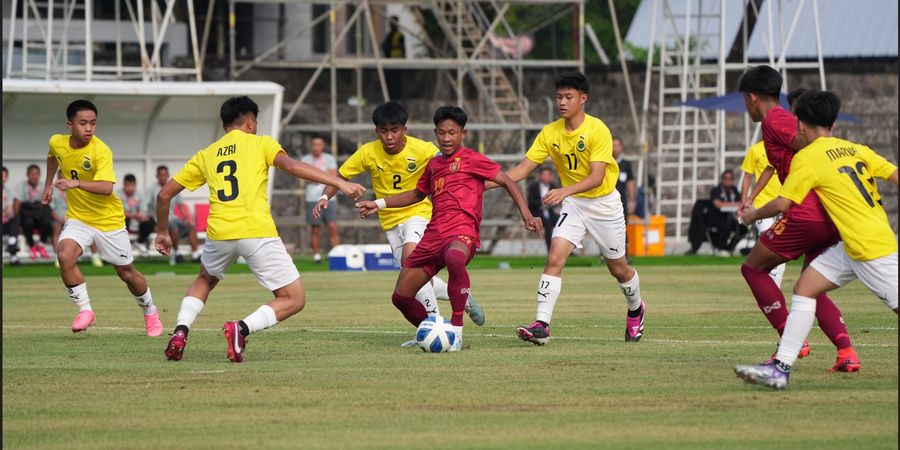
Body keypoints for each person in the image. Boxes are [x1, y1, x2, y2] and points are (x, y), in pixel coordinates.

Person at [159, 96, 366, 363]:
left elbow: (164, 195)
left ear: (224, 125)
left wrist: (163, 231)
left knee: (204, 279)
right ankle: (241, 329)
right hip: (256, 231)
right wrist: (341, 183)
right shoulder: (261, 143)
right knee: (293, 298)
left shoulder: (207, 154)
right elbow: (292, 166)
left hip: (219, 232)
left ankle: (179, 332)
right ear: (250, 121)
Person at [735, 90, 898, 389]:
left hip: (870, 250)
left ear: (798, 123)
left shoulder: (808, 157)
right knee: (805, 288)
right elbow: (895, 174)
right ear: (833, 125)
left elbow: (783, 203)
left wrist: (751, 214)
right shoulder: (855, 148)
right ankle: (780, 368)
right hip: (853, 242)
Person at [356, 106, 541, 351]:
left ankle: (456, 330)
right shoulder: (433, 165)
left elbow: (506, 180)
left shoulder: (474, 159)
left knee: (455, 258)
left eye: (452, 133)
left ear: (463, 134)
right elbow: (416, 194)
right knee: (400, 297)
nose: (446, 138)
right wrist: (378, 203)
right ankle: (436, 330)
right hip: (434, 235)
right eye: (441, 133)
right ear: (435, 133)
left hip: (463, 233)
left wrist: (527, 215)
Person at [489, 71, 647, 345]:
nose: (562, 102)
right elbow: (523, 169)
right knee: (554, 258)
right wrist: (483, 185)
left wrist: (564, 191)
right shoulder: (550, 133)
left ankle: (636, 308)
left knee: (618, 269)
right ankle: (542, 325)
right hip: (575, 205)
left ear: (583, 99)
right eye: (559, 96)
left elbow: (597, 177)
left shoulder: (598, 130)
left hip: (604, 204)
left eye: (568, 97)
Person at [315, 101, 485, 331]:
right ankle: (462, 295)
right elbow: (340, 176)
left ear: (404, 129)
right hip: (390, 222)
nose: (389, 136)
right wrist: (325, 198)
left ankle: (436, 327)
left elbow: (454, 162)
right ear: (377, 131)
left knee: (410, 262)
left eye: (394, 130)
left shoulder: (422, 149)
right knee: (413, 277)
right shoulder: (367, 152)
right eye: (384, 131)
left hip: (419, 214)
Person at [736, 66, 858, 372]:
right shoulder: (780, 121)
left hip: (805, 211)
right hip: (826, 210)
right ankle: (846, 352)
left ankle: (791, 338)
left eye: (744, 100)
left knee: (753, 269)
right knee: (811, 284)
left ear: (752, 97)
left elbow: (811, 143)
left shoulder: (775, 119)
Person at [41, 99, 162, 336]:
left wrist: (75, 183)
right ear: (70, 124)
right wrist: (48, 185)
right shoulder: (57, 142)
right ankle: (86, 311)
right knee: (64, 255)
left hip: (109, 221)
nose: (89, 128)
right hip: (79, 218)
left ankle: (150, 312)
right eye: (83, 123)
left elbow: (106, 187)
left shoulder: (100, 150)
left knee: (126, 273)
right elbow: (52, 156)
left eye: (93, 123)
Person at [740, 141, 785, 285]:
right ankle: (771, 284)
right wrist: (745, 202)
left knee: (779, 246)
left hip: (782, 203)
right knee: (770, 241)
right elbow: (747, 176)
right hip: (761, 204)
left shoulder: (784, 148)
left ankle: (772, 286)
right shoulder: (755, 149)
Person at [144, 165, 202, 264]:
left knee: (191, 226)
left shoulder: (172, 187)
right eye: (161, 175)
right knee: (173, 227)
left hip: (173, 218)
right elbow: (145, 206)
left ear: (168, 175)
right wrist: (152, 223)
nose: (163, 177)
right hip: (160, 220)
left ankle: (195, 254)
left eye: (165, 175)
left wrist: (186, 218)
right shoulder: (152, 189)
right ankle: (176, 253)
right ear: (157, 176)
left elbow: (181, 205)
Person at [686, 169, 745, 256]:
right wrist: (735, 204)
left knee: (743, 229)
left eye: (730, 178)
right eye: (726, 178)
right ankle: (722, 248)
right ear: (722, 179)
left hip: (729, 217)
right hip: (716, 218)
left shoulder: (734, 190)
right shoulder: (716, 190)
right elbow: (717, 204)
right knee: (725, 226)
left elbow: (741, 202)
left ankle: (729, 248)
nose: (728, 181)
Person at [301, 135, 340, 263]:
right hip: (312, 198)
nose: (316, 147)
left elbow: (333, 176)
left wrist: (314, 175)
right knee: (315, 228)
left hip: (329, 198)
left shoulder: (329, 158)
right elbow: (304, 177)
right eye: (314, 145)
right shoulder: (305, 159)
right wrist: (323, 175)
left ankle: (336, 254)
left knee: (332, 226)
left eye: (319, 145)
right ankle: (316, 256)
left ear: (322, 146)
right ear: (311, 146)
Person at [15, 164, 53, 260]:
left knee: (47, 222)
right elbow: (17, 204)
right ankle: (32, 246)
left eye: (36, 174)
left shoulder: (43, 186)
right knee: (28, 222)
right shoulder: (21, 186)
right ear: (27, 175)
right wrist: (16, 221)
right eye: (32, 174)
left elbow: (48, 202)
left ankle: (41, 245)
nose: (34, 176)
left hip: (40, 213)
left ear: (39, 175)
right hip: (27, 214)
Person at [119, 173, 154, 256]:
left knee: (151, 221)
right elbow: (118, 212)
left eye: (132, 185)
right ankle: (123, 247)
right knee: (123, 219)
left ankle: (139, 242)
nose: (130, 188)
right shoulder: (118, 194)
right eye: (128, 185)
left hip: (136, 220)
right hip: (124, 220)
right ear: (124, 185)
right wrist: (133, 215)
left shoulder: (140, 194)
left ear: (135, 185)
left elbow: (143, 210)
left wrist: (142, 216)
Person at [527, 166, 559, 251]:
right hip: (537, 211)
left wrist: (550, 204)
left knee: (561, 223)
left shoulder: (552, 186)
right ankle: (551, 250)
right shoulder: (534, 186)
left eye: (548, 175)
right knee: (548, 226)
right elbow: (531, 201)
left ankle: (563, 249)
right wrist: (542, 202)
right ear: (540, 176)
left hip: (549, 211)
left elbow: (556, 201)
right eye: (544, 175)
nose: (546, 177)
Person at [613, 137, 637, 218]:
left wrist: (631, 199)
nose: (615, 148)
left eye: (617, 145)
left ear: (621, 147)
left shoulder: (626, 164)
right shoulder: (607, 163)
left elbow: (630, 181)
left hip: (622, 197)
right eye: (613, 146)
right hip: (609, 198)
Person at [2, 166, 21, 265]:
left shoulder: (8, 191)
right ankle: (13, 250)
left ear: (7, 178)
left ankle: (12, 242)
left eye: (4, 176)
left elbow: (9, 208)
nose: (2, 178)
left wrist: (9, 213)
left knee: (15, 217)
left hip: (4, 221)